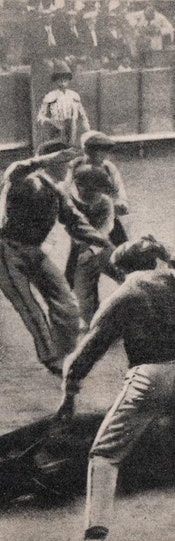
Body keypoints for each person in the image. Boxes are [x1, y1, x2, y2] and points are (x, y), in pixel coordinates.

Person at [57, 236, 175, 541]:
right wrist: (174, 256)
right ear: (153, 260)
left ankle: (95, 535)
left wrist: (69, 397)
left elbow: (86, 353)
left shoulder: (122, 294)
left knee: (104, 453)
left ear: (120, 268)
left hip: (150, 375)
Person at [0, 140, 113, 376]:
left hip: (34, 252)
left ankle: (67, 353)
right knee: (30, 308)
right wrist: (47, 158)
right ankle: (51, 359)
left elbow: (76, 223)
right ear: (52, 163)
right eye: (64, 164)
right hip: (6, 252)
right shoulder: (25, 180)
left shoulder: (57, 192)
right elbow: (14, 171)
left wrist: (104, 242)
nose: (68, 170)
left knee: (67, 303)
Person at [64, 130, 129, 287]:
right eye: (96, 149)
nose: (100, 154)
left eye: (104, 150)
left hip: (105, 212)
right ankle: (70, 288)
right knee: (78, 254)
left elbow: (119, 188)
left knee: (124, 251)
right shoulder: (75, 165)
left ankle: (129, 281)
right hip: (81, 216)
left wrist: (121, 202)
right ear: (86, 149)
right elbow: (65, 187)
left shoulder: (108, 167)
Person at [67, 164, 124, 327]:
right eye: (91, 190)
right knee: (86, 306)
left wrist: (92, 249)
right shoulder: (65, 202)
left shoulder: (105, 202)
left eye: (100, 190)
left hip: (100, 247)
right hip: (76, 255)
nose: (97, 195)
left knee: (127, 272)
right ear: (78, 186)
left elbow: (105, 230)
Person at [37, 60, 91, 147]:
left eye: (65, 78)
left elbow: (83, 116)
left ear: (68, 80)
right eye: (59, 78)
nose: (62, 81)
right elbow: (40, 117)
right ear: (56, 80)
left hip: (72, 130)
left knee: (71, 148)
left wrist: (87, 130)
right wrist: (51, 123)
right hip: (56, 131)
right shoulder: (50, 96)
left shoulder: (74, 96)